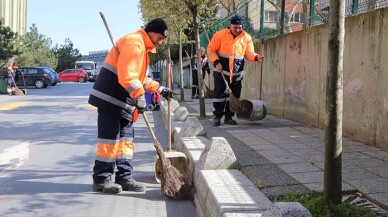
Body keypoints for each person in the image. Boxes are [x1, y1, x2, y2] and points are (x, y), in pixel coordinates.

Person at [88, 18, 172, 194]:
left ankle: (124, 177)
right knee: (109, 140)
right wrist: (140, 95)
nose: (160, 41)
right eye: (160, 37)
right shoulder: (135, 42)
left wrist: (159, 88)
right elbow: (127, 76)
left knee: (126, 141)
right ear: (152, 31)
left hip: (122, 101)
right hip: (110, 98)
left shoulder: (142, 47)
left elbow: (139, 78)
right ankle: (102, 179)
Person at [207, 15, 264, 126]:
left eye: (239, 27)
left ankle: (229, 117)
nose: (237, 29)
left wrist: (257, 57)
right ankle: (217, 116)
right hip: (221, 72)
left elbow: (249, 53)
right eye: (235, 27)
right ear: (230, 25)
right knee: (219, 95)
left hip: (237, 74)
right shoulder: (220, 35)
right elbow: (211, 50)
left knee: (235, 96)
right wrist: (216, 62)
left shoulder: (246, 37)